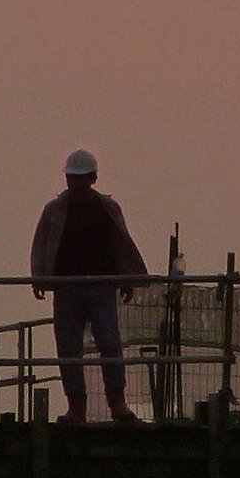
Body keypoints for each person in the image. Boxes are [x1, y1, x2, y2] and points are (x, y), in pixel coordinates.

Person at [29, 148, 149, 425]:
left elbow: (121, 243)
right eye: (72, 178)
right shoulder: (55, 210)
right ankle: (77, 408)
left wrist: (126, 278)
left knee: (110, 342)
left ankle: (117, 404)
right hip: (67, 286)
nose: (76, 183)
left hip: (102, 285)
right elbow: (41, 243)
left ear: (93, 178)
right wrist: (39, 276)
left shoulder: (108, 208)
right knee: (69, 346)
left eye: (80, 178)